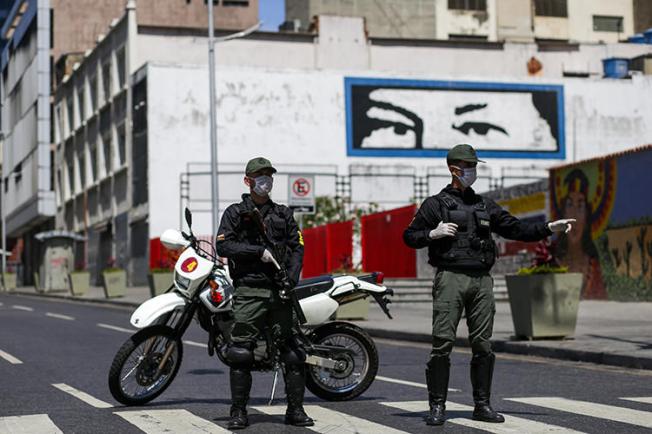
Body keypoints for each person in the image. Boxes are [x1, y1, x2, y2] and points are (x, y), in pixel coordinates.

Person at [403, 144, 575, 426]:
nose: (472, 171)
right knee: (442, 343)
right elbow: (409, 236)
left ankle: (482, 405)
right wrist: (432, 233)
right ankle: (437, 406)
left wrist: (548, 228)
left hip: (482, 280)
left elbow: (515, 228)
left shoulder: (484, 205)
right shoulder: (435, 204)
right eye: (468, 166)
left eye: (474, 166)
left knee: (483, 344)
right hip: (450, 278)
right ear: (453, 169)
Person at [215, 157, 314, 430]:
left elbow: (297, 247)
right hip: (250, 289)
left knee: (293, 352)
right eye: (260, 175)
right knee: (241, 351)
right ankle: (238, 412)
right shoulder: (236, 213)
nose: (265, 180)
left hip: (280, 290)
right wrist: (257, 251)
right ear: (248, 180)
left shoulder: (283, 213)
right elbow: (223, 247)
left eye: (269, 175)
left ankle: (295, 410)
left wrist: (291, 278)